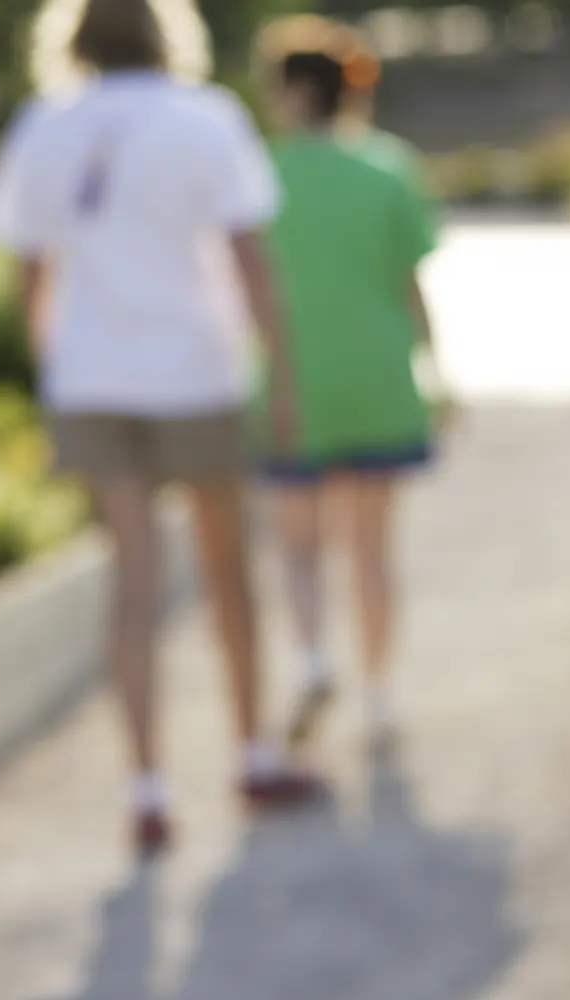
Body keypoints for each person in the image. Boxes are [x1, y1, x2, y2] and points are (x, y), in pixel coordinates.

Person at [0, 0, 321, 856]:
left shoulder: (45, 123)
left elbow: (29, 267)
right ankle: (251, 755)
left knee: (132, 585)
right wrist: (279, 374)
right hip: (193, 371)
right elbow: (250, 256)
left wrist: (52, 366)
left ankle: (147, 789)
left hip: (91, 377)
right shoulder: (204, 118)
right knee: (226, 570)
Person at [250, 16, 442, 742]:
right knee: (373, 551)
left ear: (296, 91)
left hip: (294, 381)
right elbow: (412, 286)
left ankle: (310, 659)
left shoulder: (262, 176)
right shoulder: (390, 167)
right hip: (381, 377)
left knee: (299, 547)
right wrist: (439, 374)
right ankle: (381, 691)